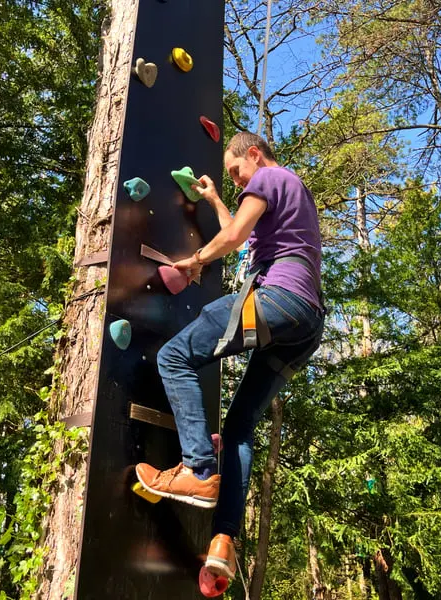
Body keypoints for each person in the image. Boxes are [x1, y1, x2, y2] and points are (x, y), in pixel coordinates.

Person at [135, 132, 324, 581]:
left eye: (237, 173)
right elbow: (241, 234)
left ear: (254, 155)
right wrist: (216, 199)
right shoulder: (287, 190)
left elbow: (234, 236)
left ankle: (198, 468)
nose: (239, 184)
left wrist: (194, 260)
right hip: (306, 322)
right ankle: (223, 541)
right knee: (239, 428)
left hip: (278, 298)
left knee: (174, 357)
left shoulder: (271, 176)